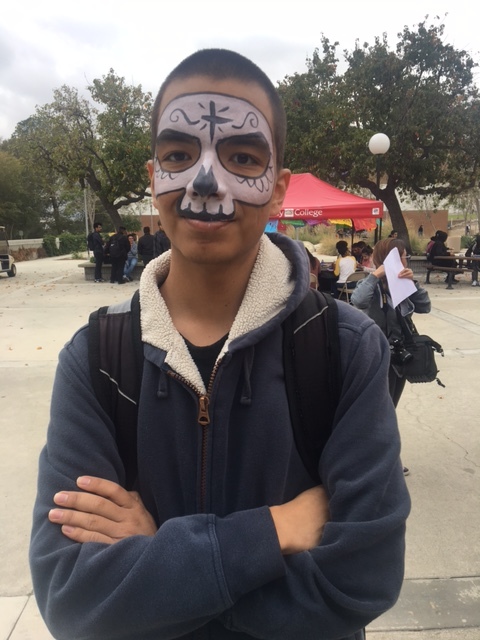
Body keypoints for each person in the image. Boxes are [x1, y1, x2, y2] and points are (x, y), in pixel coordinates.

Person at [30, 48, 410, 640]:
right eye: (180, 154)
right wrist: (274, 531)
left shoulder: (346, 349)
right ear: (153, 175)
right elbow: (73, 595)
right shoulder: (96, 360)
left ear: (280, 188)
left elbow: (361, 577)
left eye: (242, 156)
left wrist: (164, 568)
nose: (207, 181)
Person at [351, 238, 431, 410]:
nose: (406, 260)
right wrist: (375, 276)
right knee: (375, 407)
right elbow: (358, 300)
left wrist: (413, 284)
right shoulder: (370, 284)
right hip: (375, 354)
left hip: (399, 355)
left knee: (391, 404)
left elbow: (425, 307)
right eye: (403, 256)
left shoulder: (404, 284)